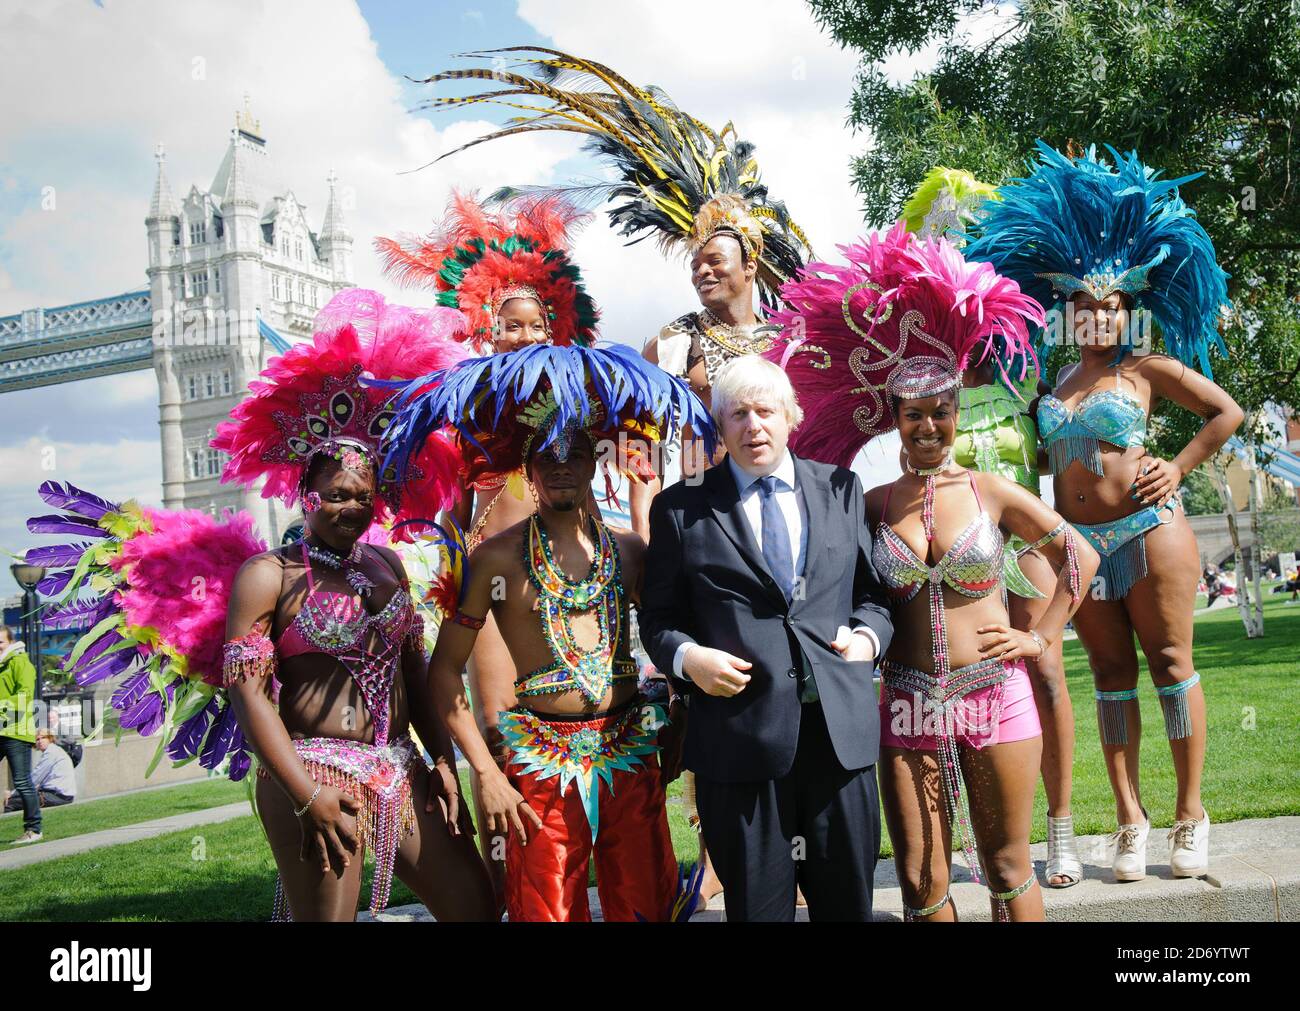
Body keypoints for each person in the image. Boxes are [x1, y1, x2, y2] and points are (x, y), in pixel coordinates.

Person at [767, 222, 1095, 920]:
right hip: (909, 701)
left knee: (1008, 866)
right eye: (913, 415)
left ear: (955, 412)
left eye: (939, 413)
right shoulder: (871, 501)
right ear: (894, 420)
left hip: (994, 694)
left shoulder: (991, 491)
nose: (927, 427)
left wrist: (1041, 637)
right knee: (921, 877)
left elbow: (1079, 554)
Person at [966, 141, 1244, 881]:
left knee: (1172, 664)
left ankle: (1191, 814)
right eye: (1083, 307)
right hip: (1079, 550)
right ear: (1069, 312)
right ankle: (1130, 818)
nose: (1096, 317)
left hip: (1153, 535)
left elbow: (1227, 411)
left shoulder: (1145, 368)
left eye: (1111, 305)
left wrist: (1176, 466)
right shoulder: (1052, 377)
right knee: (1111, 677)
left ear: (1129, 309)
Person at [384, 342, 712, 921]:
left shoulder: (631, 554)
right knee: (546, 912)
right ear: (529, 469)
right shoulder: (494, 561)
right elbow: (443, 679)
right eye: (548, 454)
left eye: (576, 452)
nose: (562, 463)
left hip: (629, 753)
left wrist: (679, 713)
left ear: (594, 463)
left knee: (645, 907)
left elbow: (671, 635)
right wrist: (487, 774)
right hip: (538, 765)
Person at [214, 289, 495, 921]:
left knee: (477, 904)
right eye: (337, 495)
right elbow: (249, 697)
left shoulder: (387, 565)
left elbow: (415, 675)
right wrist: (305, 792)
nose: (353, 509)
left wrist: (442, 762)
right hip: (312, 770)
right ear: (306, 495)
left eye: (364, 496)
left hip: (399, 766)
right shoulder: (268, 576)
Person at [376, 192, 602, 909]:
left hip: (557, 579)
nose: (524, 334)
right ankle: (515, 888)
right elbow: (449, 498)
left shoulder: (574, 394)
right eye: (511, 324)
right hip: (490, 584)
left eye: (537, 323)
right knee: (503, 736)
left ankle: (558, 880)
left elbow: (590, 490)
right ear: (489, 329)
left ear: (554, 328)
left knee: (569, 731)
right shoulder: (464, 399)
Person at [639, 355, 894, 922]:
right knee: (757, 912)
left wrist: (867, 641)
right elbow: (656, 619)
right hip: (739, 742)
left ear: (790, 417)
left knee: (848, 909)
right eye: (737, 414)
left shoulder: (842, 489)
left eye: (765, 411)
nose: (753, 425)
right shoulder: (680, 508)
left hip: (838, 740)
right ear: (719, 427)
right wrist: (689, 658)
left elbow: (874, 598)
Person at [902, 167, 1082, 887]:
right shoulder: (925, 390)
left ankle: (1060, 827)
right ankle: (974, 841)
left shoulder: (1024, 371)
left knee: (1042, 666)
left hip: (1020, 543)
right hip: (952, 551)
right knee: (949, 681)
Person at [0, 626, 41, 843]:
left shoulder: (20, 662)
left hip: (16, 731)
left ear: (10, 642)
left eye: (0, 642)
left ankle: (34, 829)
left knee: (22, 781)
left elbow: (25, 696)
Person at [3, 729, 76, 810]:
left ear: (50, 739)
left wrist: (12, 794)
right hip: (59, 795)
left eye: (43, 738)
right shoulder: (54, 750)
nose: (40, 741)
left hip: (58, 796)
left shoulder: (51, 752)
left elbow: (35, 777)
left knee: (11, 802)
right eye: (37, 739)